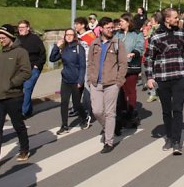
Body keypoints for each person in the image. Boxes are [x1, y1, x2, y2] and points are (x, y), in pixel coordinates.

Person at [145, 8, 184, 155]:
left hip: (179, 76)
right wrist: (149, 77)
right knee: (166, 110)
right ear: (167, 19)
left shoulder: (182, 33)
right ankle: (169, 136)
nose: (177, 19)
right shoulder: (156, 36)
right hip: (162, 77)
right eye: (175, 17)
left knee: (178, 108)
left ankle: (176, 141)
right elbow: (149, 58)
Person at [0, 25, 31, 169]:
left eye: (3, 37)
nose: (1, 40)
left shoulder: (20, 52)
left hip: (13, 96)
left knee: (18, 125)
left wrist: (12, 83)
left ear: (11, 37)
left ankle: (24, 149)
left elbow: (26, 72)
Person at [87, 18, 127, 153]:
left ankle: (109, 141)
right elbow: (90, 63)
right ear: (101, 29)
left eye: (112, 27)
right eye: (108, 28)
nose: (111, 30)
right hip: (95, 83)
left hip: (111, 83)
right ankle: (109, 127)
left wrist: (119, 81)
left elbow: (123, 64)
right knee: (97, 111)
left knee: (110, 113)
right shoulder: (95, 43)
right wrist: (89, 79)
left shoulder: (117, 43)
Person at [50, 28, 88, 134]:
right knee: (64, 103)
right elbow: (52, 59)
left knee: (76, 104)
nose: (69, 36)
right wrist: (56, 47)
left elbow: (82, 66)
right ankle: (64, 126)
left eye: (71, 35)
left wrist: (80, 80)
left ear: (74, 36)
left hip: (76, 81)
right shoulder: (63, 48)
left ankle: (84, 118)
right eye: (67, 35)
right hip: (65, 80)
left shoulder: (79, 48)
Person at [115, 13, 144, 129]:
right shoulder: (117, 34)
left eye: (122, 21)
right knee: (120, 91)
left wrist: (134, 53)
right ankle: (122, 112)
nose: (120, 23)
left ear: (128, 22)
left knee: (130, 90)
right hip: (119, 66)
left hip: (132, 65)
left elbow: (140, 46)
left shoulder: (137, 34)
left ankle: (131, 112)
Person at [17, 20, 46, 118]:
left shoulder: (35, 39)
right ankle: (28, 110)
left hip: (33, 68)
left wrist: (37, 65)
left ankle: (23, 112)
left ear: (28, 28)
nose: (20, 29)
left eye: (23, 27)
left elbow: (42, 54)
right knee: (20, 90)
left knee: (27, 88)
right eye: (19, 27)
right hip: (19, 70)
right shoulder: (16, 40)